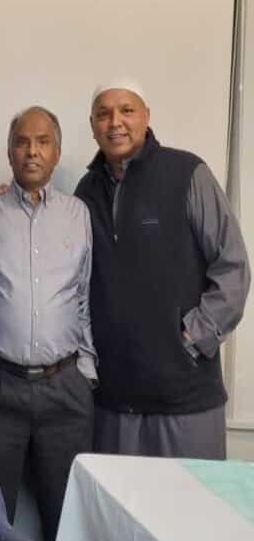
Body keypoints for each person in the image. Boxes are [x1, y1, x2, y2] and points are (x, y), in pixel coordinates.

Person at [75, 79, 249, 459]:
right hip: (113, 405)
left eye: (127, 110)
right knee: (116, 500)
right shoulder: (85, 192)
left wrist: (191, 338)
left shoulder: (187, 173)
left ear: (147, 117)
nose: (115, 122)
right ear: (92, 125)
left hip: (186, 402)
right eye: (103, 114)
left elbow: (233, 266)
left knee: (191, 498)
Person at [0, 106, 96, 541]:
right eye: (22, 142)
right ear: (9, 152)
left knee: (68, 522)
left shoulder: (78, 214)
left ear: (57, 153)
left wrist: (86, 370)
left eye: (42, 142)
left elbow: (85, 296)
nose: (31, 151)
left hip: (66, 390)